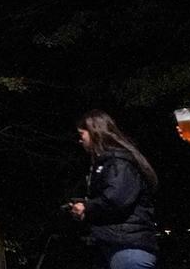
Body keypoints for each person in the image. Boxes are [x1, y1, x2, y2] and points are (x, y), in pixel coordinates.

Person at [68, 111, 159, 269]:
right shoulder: (111, 162)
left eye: (82, 134)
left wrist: (87, 207)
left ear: (94, 132)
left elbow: (116, 199)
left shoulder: (118, 162)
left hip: (127, 248)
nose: (80, 139)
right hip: (118, 247)